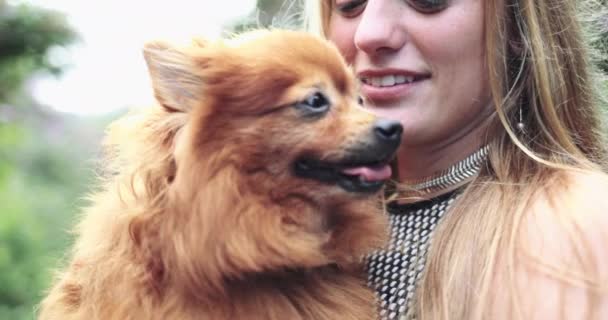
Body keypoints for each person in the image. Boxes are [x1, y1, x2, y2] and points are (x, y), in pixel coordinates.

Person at [305, 0, 608, 319]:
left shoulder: (574, 226)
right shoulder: (297, 228)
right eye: (349, 4)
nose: (369, 33)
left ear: (516, 25)